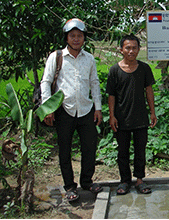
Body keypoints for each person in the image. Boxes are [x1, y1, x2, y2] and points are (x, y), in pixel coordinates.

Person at [41, 18, 103, 202]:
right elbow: (46, 81)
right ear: (66, 38)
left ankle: (87, 181)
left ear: (84, 38)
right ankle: (69, 186)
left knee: (89, 148)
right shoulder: (56, 56)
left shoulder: (89, 58)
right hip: (63, 110)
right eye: (72, 36)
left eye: (80, 36)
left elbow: (94, 83)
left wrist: (98, 108)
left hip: (86, 109)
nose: (76, 39)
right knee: (65, 149)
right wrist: (48, 108)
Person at [106, 34, 157, 195]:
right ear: (121, 50)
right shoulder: (115, 70)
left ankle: (140, 180)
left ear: (139, 49)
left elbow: (149, 91)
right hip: (121, 119)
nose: (131, 51)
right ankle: (125, 180)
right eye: (127, 47)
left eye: (134, 48)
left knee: (140, 150)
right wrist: (112, 116)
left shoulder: (144, 68)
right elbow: (111, 95)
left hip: (141, 117)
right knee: (123, 151)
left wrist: (153, 112)